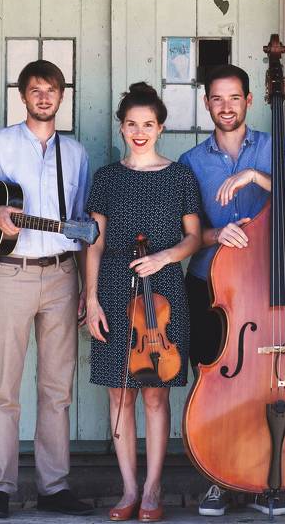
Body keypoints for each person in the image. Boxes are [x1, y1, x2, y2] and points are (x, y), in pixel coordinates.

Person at [0, 60, 93, 519]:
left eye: (52, 90)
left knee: (57, 388)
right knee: (3, 386)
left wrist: (87, 289)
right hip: (12, 273)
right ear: (22, 96)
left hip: (62, 276)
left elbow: (83, 229)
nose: (44, 97)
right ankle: (0, 488)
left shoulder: (76, 154)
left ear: (62, 96)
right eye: (35, 90)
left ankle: (54, 487)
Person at [178, 64, 285, 517]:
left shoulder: (274, 149)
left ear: (249, 101)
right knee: (215, 385)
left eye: (234, 98)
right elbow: (184, 235)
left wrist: (258, 177)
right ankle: (217, 478)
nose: (226, 107)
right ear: (206, 104)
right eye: (217, 99)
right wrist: (217, 235)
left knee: (265, 383)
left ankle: (262, 479)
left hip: (268, 289)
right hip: (211, 286)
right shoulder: (191, 162)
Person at [85, 83, 201, 523]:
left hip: (164, 288)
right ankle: (129, 488)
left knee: (155, 393)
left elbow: (194, 237)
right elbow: (94, 243)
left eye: (148, 124)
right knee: (120, 394)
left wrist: (164, 257)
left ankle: (153, 487)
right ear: (121, 127)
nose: (139, 132)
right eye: (131, 124)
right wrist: (91, 298)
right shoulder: (106, 178)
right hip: (114, 287)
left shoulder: (179, 176)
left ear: (160, 128)